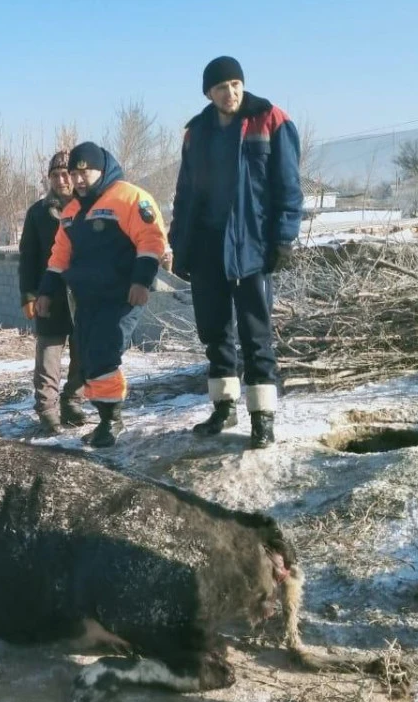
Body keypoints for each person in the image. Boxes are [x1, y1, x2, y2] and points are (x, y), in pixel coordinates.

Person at [168, 56, 303, 449]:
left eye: (235, 84)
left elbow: (289, 186)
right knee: (214, 331)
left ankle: (262, 416)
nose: (231, 93)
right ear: (209, 93)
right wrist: (180, 244)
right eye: (221, 87)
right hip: (206, 245)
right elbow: (185, 192)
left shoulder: (270, 119)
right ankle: (224, 408)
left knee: (255, 333)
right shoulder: (196, 132)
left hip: (251, 246)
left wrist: (284, 239)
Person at [35, 142, 168, 448]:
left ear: (102, 169)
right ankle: (105, 414)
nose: (79, 179)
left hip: (122, 296)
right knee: (90, 357)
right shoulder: (71, 212)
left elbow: (151, 241)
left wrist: (142, 281)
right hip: (87, 298)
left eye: (85, 172)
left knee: (105, 353)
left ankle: (111, 420)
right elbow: (59, 256)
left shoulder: (129, 197)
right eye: (74, 173)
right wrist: (46, 291)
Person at [18, 150, 85, 434]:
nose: (61, 180)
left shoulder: (89, 207)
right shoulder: (38, 213)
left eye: (66, 174)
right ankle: (47, 409)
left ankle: (73, 402)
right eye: (55, 175)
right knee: (49, 356)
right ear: (49, 179)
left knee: (83, 352)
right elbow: (28, 257)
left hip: (83, 293)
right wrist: (28, 295)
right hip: (49, 294)